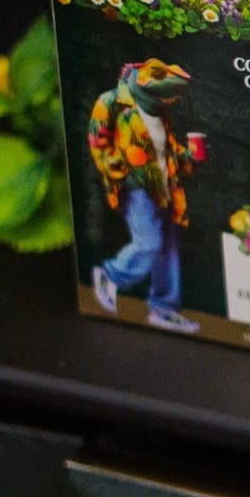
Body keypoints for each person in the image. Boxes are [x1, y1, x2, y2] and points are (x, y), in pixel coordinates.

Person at [88, 58, 202, 333]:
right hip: (138, 188)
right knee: (149, 243)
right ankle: (111, 274)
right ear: (138, 75)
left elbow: (170, 152)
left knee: (168, 247)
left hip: (166, 187)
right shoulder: (112, 101)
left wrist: (192, 154)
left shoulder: (159, 113)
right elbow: (97, 142)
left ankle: (164, 308)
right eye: (159, 74)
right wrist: (124, 169)